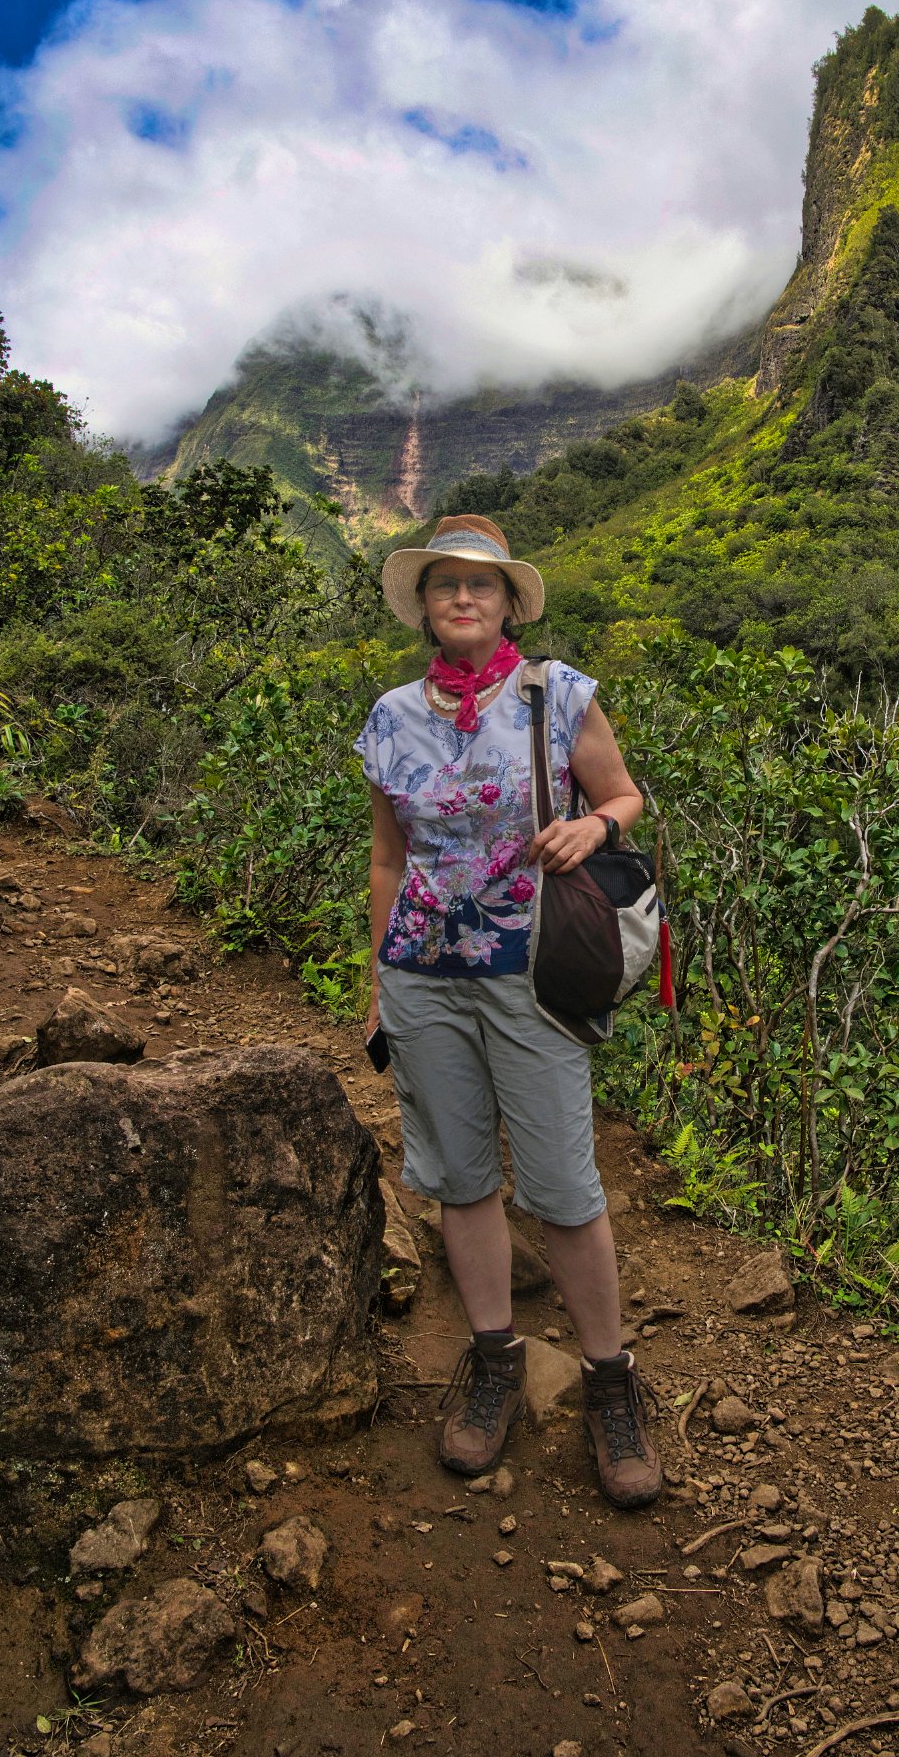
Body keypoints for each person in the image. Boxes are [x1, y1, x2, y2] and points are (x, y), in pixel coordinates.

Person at [355, 513, 662, 1508]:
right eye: (445, 583)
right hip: (423, 974)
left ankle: (610, 1381)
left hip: (530, 971)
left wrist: (590, 825)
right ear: (424, 604)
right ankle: (495, 1361)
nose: (462, 597)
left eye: (479, 584)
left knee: (563, 1183)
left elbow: (625, 796)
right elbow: (389, 857)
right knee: (460, 1177)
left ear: (507, 603)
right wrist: (379, 974)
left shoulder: (557, 695)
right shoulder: (391, 716)